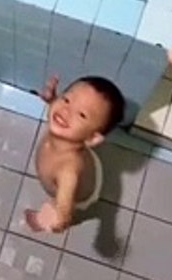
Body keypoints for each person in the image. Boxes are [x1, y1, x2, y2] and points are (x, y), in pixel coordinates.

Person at [25, 75, 125, 234]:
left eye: (82, 115)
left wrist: (48, 219)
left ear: (92, 138)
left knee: (70, 210)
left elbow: (64, 216)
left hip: (79, 195)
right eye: (66, 99)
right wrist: (51, 100)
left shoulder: (68, 172)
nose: (65, 111)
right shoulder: (63, 128)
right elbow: (59, 109)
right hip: (88, 160)